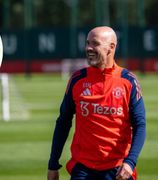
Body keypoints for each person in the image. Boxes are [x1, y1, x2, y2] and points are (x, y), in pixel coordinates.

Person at [47, 26, 146, 180]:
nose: (88, 48)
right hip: (83, 170)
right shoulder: (77, 79)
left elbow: (140, 125)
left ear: (111, 47)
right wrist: (53, 164)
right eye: (87, 43)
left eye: (95, 44)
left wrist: (130, 162)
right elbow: (63, 122)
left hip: (118, 169)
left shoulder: (128, 81)